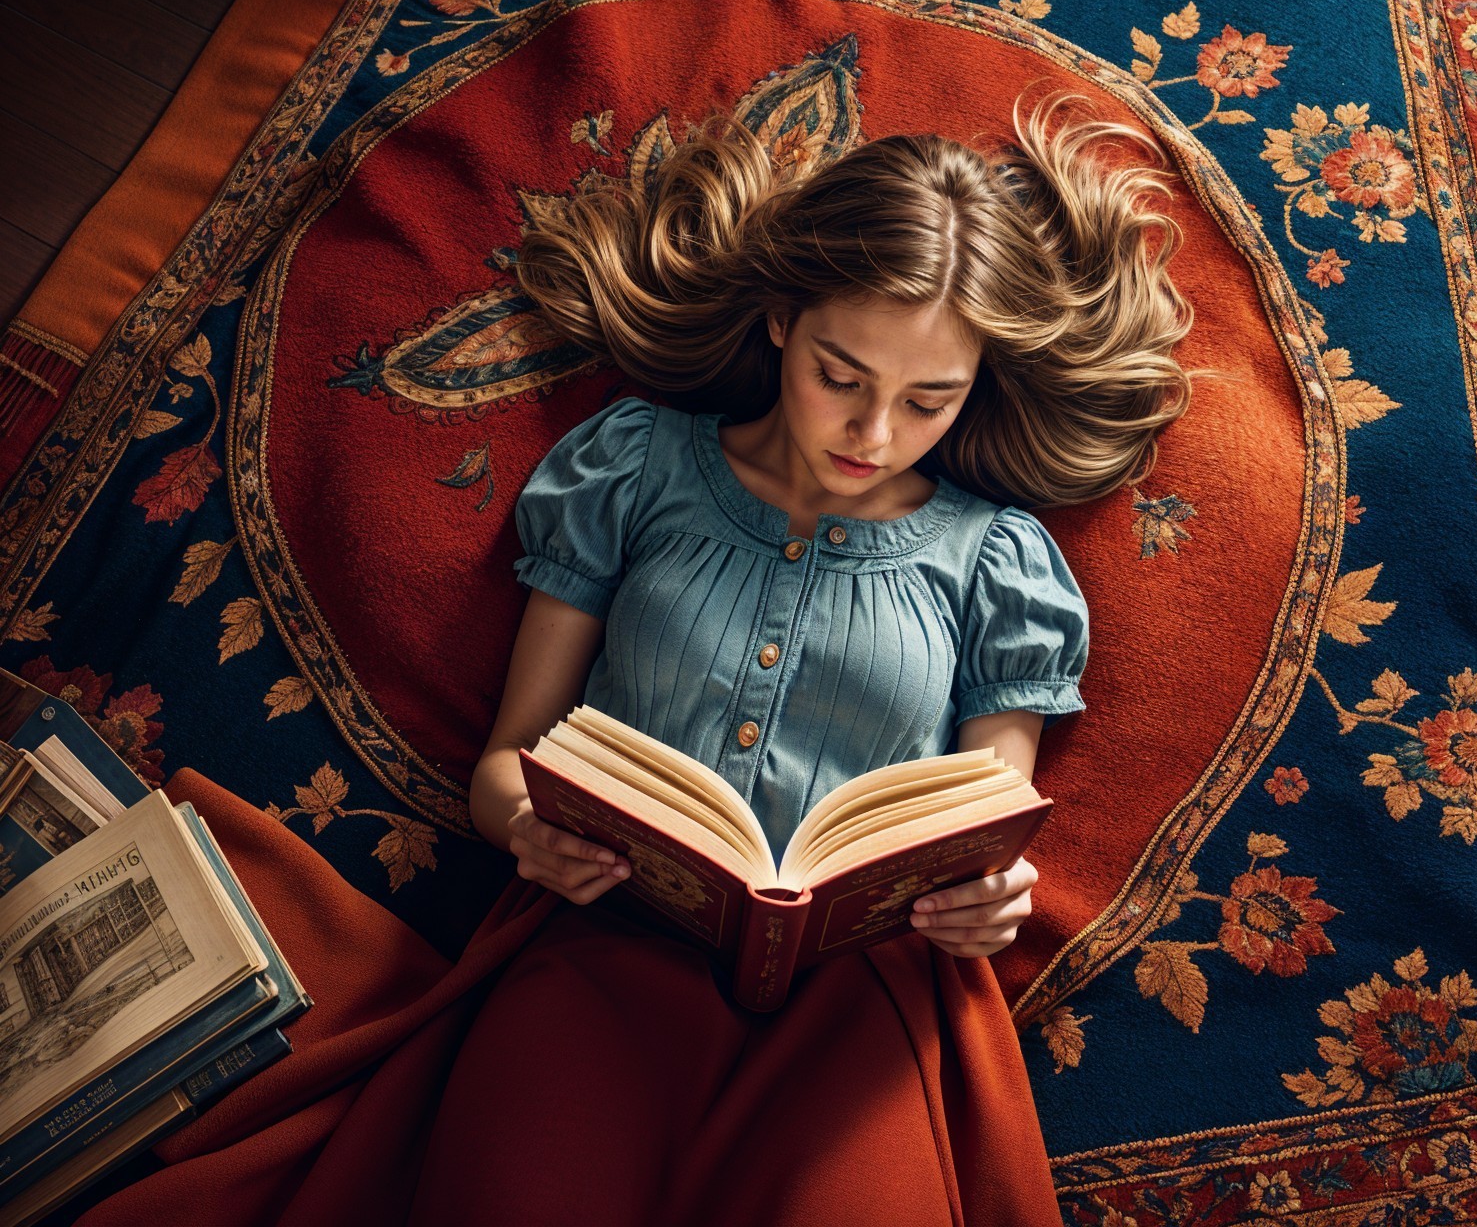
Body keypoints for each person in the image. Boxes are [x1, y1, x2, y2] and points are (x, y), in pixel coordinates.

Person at [402, 88, 1197, 1225]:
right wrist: (524, 827)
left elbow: (983, 838)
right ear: (783, 320)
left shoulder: (998, 563)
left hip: (862, 1005)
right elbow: (505, 762)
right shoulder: (634, 466)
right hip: (605, 946)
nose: (874, 435)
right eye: (842, 376)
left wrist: (994, 902)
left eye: (929, 402)